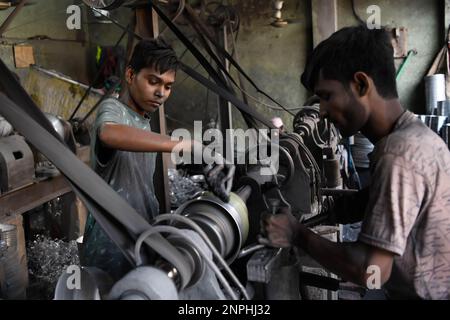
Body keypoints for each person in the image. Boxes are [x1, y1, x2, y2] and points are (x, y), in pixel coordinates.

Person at [262, 26, 450, 299]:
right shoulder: (416, 136)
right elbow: (385, 200)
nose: (322, 112)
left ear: (361, 85)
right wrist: (334, 209)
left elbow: (370, 272)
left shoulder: (397, 153)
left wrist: (297, 234)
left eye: (326, 96)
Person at [81, 38, 231, 280]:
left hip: (140, 235)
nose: (161, 93)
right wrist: (188, 144)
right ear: (130, 75)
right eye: (153, 82)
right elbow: (109, 133)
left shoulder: (144, 122)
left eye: (168, 86)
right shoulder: (112, 109)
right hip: (109, 246)